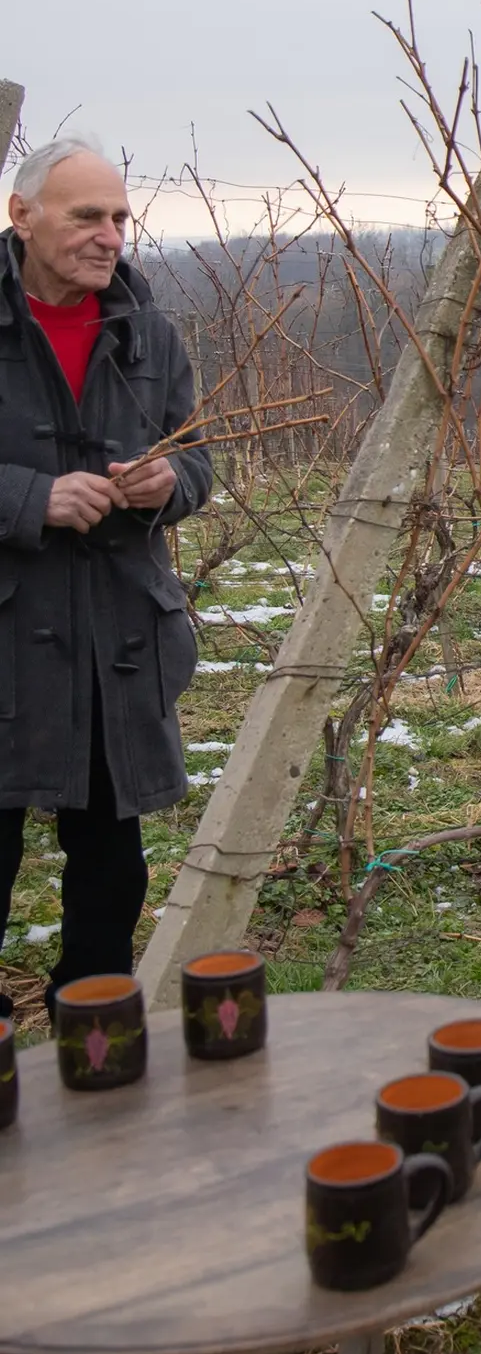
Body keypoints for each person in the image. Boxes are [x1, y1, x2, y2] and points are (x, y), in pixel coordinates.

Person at [0, 137, 212, 1011]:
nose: (109, 235)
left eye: (119, 217)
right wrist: (29, 499)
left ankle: (97, 1059)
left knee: (111, 874)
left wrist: (169, 484)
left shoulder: (147, 332)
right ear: (23, 217)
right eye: (87, 215)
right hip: (9, 640)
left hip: (115, 641)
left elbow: (198, 459)